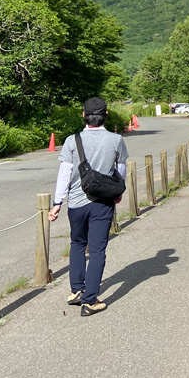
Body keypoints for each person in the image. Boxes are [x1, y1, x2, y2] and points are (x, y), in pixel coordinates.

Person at [47, 97, 129, 316]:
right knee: (97, 250)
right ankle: (90, 300)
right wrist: (117, 192)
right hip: (102, 202)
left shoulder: (72, 141)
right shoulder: (116, 140)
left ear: (84, 116)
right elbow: (121, 170)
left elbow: (64, 174)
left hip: (76, 203)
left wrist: (57, 203)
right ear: (106, 116)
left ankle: (76, 290)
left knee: (77, 244)